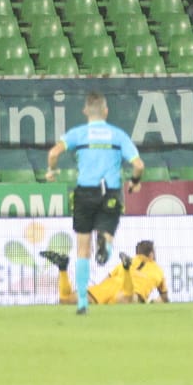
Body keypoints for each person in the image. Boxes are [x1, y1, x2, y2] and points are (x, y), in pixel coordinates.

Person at [44, 92, 146, 314]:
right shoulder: (118, 136)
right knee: (105, 240)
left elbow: (53, 153)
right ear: (106, 111)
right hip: (110, 192)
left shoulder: (77, 134)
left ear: (85, 111)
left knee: (82, 249)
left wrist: (52, 170)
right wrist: (135, 181)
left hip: (85, 192)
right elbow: (138, 165)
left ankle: (82, 301)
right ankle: (106, 246)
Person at [46, 238, 169, 305]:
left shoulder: (124, 262)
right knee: (126, 300)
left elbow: (105, 280)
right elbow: (164, 298)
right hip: (131, 293)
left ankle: (63, 269)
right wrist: (152, 302)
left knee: (66, 300)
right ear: (151, 254)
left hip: (106, 288)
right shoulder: (158, 270)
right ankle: (127, 273)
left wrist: (97, 292)